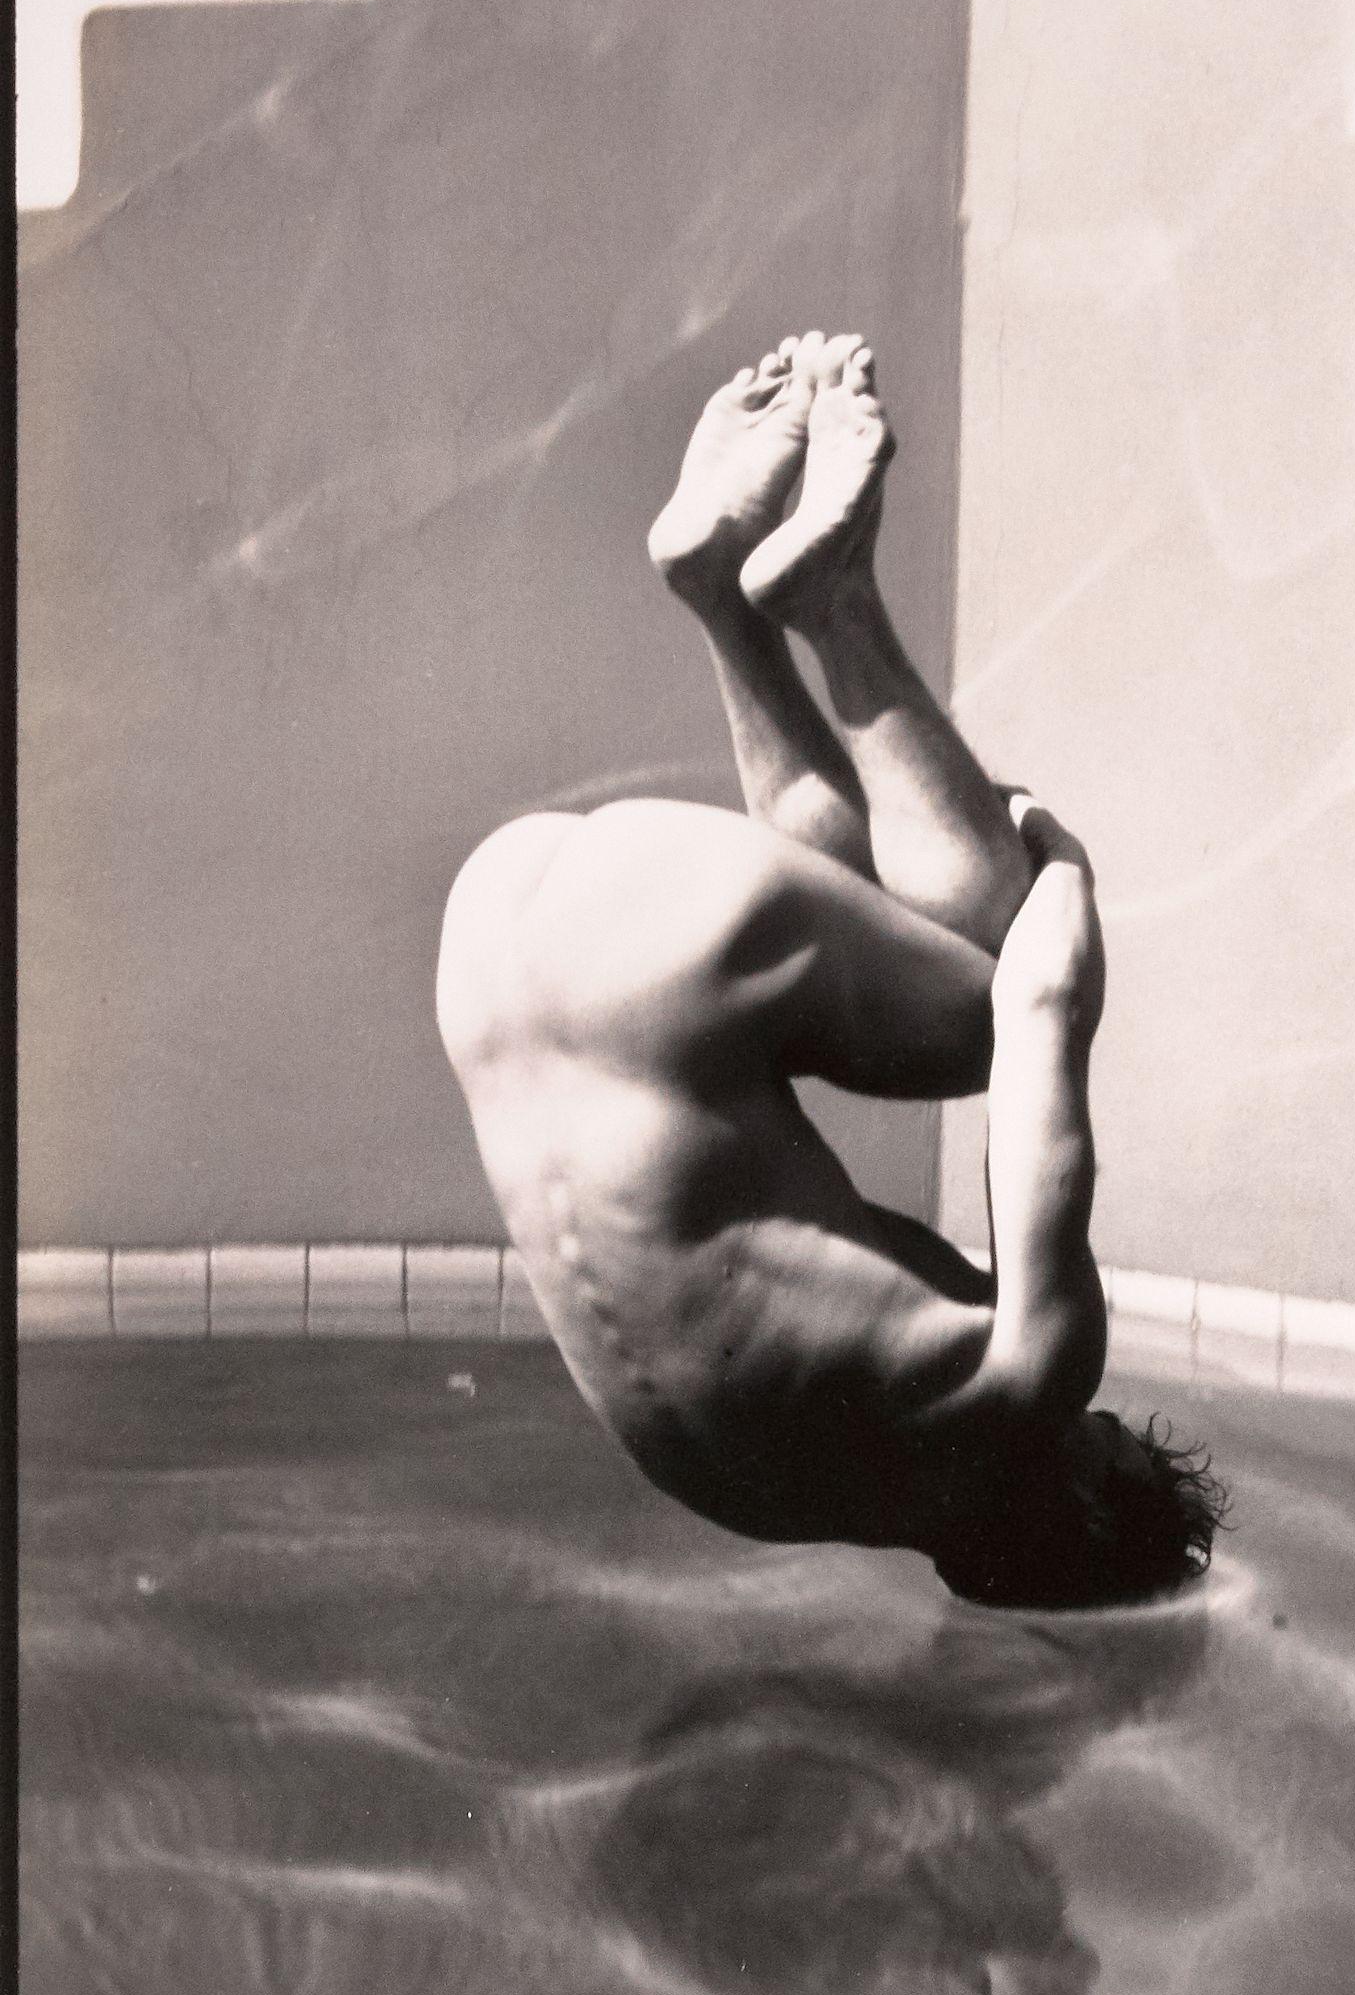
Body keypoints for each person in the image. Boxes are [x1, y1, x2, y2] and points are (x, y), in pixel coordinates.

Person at [436, 331, 1226, 1608]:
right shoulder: (760, 1500)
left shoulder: (1027, 1383)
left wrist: (1057, 861)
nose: (1094, 1414)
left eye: (1111, 1438)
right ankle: (718, 588)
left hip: (653, 955)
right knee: (877, 939)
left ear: (1085, 1494)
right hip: (490, 945)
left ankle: (830, 602)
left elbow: (1041, 1007)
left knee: (985, 998)